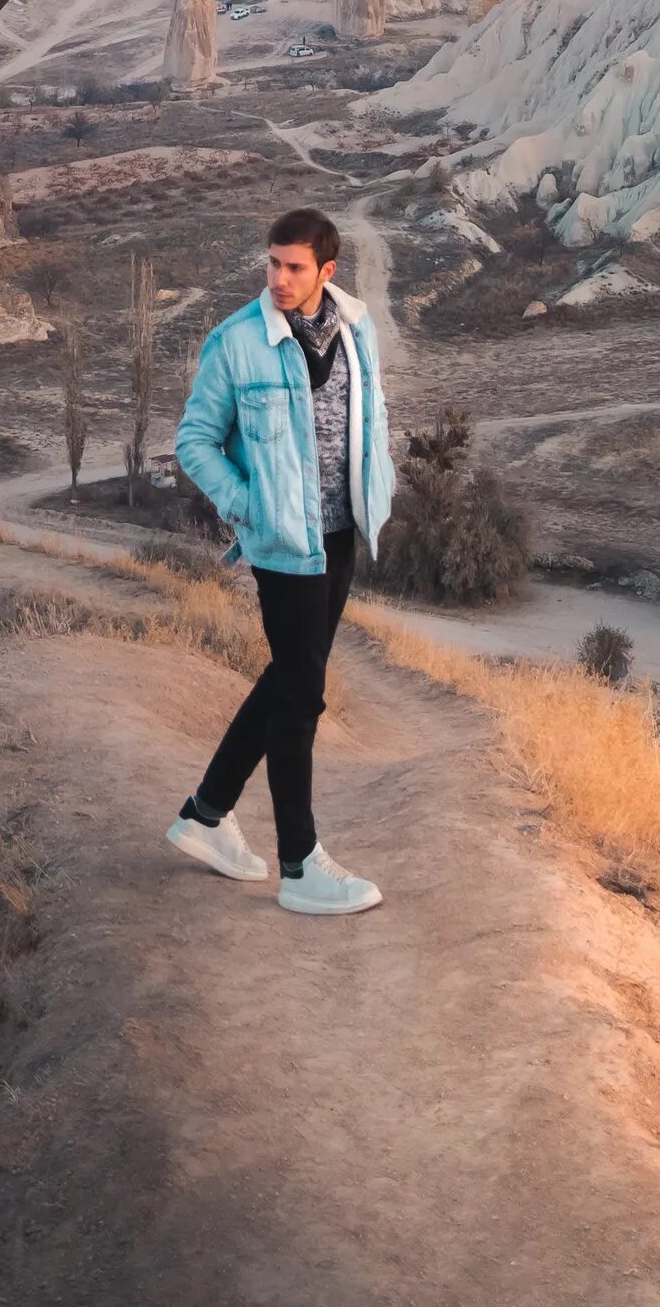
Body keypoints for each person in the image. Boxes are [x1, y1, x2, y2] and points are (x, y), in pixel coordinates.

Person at [166, 207, 395, 916]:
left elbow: (373, 420)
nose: (279, 279)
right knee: (302, 695)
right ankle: (300, 865)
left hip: (339, 535)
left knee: (289, 680)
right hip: (282, 545)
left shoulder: (357, 331)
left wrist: (376, 494)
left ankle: (205, 815)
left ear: (328, 271)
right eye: (272, 263)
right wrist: (250, 507)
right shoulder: (237, 343)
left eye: (295, 267)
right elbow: (193, 441)